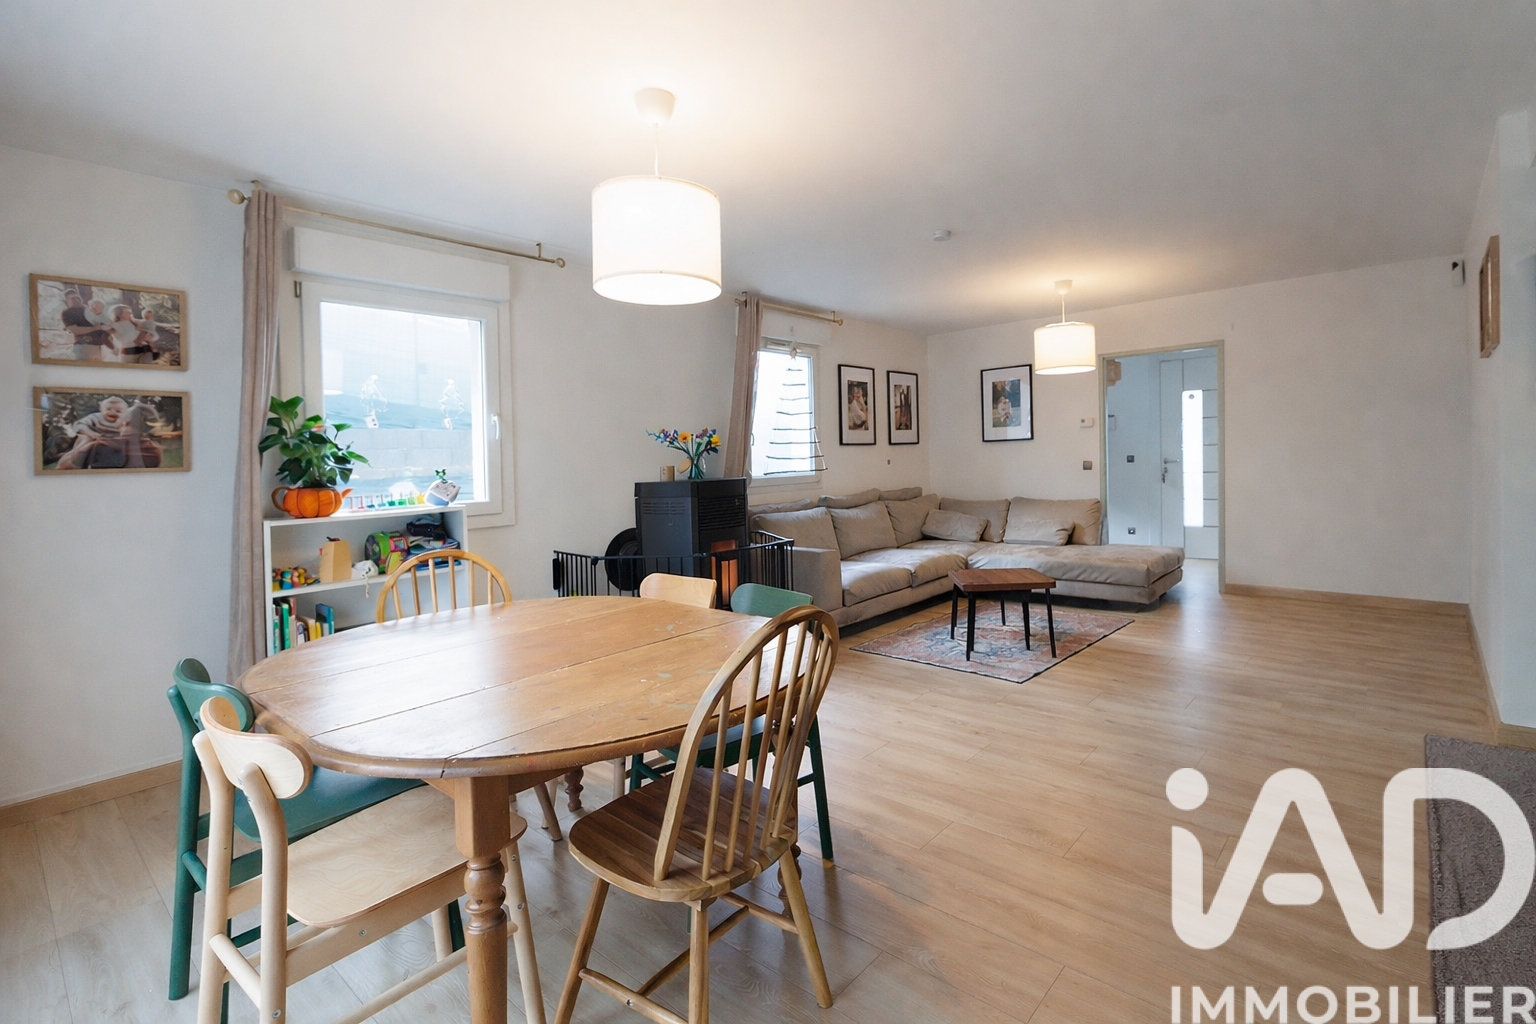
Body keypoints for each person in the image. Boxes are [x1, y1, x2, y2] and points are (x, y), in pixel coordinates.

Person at [59, 291, 110, 361]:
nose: (77, 300)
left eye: (78, 298)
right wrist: (96, 328)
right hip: (84, 346)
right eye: (73, 299)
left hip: (101, 346)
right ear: (67, 300)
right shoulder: (67, 313)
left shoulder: (90, 309)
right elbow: (75, 330)